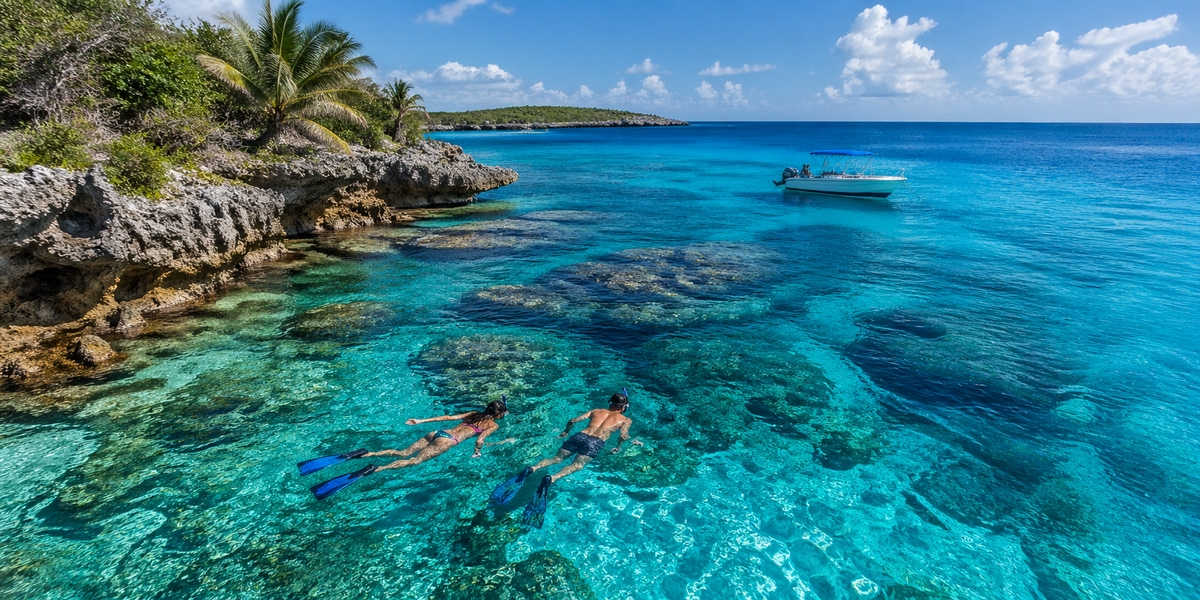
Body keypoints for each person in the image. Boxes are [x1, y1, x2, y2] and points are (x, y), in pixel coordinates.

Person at [489, 389, 640, 528]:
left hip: (579, 435)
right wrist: (619, 446)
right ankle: (553, 478)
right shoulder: (625, 419)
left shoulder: (596, 411)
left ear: (610, 403)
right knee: (577, 465)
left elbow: (573, 420)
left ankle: (533, 468)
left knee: (556, 458)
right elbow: (623, 435)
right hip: (596, 442)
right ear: (624, 407)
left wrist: (565, 432)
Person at [364, 398, 509, 471]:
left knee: (403, 453)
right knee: (414, 461)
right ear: (499, 414)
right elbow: (480, 440)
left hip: (438, 432)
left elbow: (447, 418)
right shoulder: (493, 425)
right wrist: (477, 452)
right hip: (448, 441)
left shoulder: (474, 413)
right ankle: (379, 469)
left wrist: (420, 420)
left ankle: (369, 454)